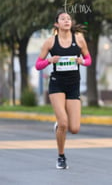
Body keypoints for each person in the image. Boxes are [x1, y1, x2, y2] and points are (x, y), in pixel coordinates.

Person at [35, 9, 91, 169]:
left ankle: (59, 126)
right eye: (63, 19)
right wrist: (49, 60)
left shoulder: (79, 39)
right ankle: (61, 156)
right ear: (56, 24)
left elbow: (88, 59)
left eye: (69, 18)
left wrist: (82, 61)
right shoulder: (50, 42)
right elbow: (38, 65)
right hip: (57, 84)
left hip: (74, 84)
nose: (67, 21)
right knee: (64, 123)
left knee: (74, 128)